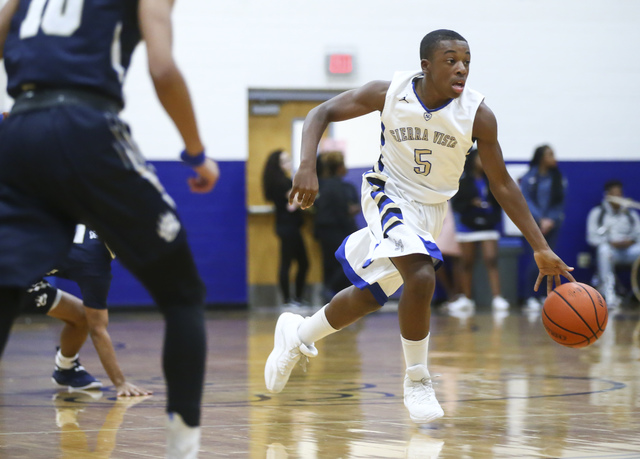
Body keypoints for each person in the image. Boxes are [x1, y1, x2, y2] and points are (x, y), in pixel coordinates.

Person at [264, 29, 574, 424]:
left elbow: (502, 184)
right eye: (450, 60)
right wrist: (307, 164)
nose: (461, 68)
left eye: (466, 61)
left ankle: (299, 334)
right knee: (422, 275)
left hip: (431, 210)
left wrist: (539, 245)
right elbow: (319, 113)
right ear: (426, 66)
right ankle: (417, 379)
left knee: (368, 296)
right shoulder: (389, 93)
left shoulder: (478, 114)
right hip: (387, 193)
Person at [0, 0, 219, 457]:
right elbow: (162, 68)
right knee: (183, 296)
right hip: (87, 124)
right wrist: (196, 153)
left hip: (19, 129)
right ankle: (184, 448)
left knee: (5, 287)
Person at [21, 224, 151, 396]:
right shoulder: (95, 266)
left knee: (81, 317)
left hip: (20, 265)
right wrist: (120, 382)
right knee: (92, 321)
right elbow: (97, 329)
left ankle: (66, 368)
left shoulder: (88, 220)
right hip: (12, 273)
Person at [448, 149, 509, 311]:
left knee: (491, 259)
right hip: (467, 225)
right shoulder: (463, 179)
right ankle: (466, 299)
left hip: (488, 224)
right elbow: (456, 204)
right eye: (480, 158)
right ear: (473, 160)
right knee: (466, 262)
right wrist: (471, 203)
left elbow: (499, 202)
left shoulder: (492, 179)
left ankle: (497, 298)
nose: (483, 161)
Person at [519, 144, 567, 310]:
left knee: (550, 262)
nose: (554, 158)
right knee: (535, 261)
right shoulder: (528, 177)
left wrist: (550, 220)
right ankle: (529, 296)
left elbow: (560, 202)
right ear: (540, 157)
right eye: (550, 155)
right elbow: (525, 200)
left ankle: (542, 297)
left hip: (553, 225)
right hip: (533, 225)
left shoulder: (558, 178)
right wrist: (539, 220)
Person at [263, 149, 310, 307]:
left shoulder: (277, 180)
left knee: (291, 262)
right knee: (295, 262)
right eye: (286, 161)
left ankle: (291, 299)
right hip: (288, 227)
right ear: (279, 164)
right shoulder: (282, 182)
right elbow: (296, 201)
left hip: (285, 226)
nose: (289, 163)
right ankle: (291, 299)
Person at [314, 151, 360, 301]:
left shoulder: (321, 185)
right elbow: (342, 211)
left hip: (324, 229)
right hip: (338, 229)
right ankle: (331, 290)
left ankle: (330, 296)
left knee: (329, 264)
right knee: (348, 261)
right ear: (340, 167)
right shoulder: (339, 186)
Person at [586, 180, 640, 308]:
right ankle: (608, 294)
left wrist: (630, 241)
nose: (617, 197)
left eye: (619, 193)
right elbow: (591, 238)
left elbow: (638, 233)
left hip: (630, 251)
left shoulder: (630, 214)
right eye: (614, 193)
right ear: (607, 195)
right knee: (604, 250)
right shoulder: (598, 213)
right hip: (611, 251)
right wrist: (610, 242)